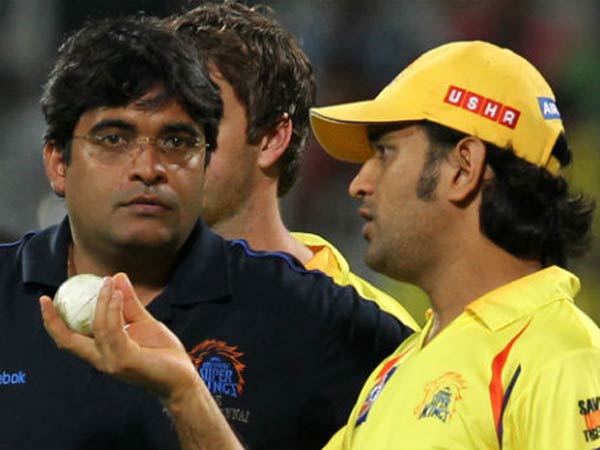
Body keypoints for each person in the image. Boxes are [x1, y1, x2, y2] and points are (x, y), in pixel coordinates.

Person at [44, 39, 599, 450]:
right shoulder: (400, 367)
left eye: (384, 153)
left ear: (463, 168)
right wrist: (185, 392)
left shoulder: (561, 360)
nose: (359, 182)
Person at [4, 15, 413, 450]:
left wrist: (186, 397)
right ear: (58, 163)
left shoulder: (311, 316)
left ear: (204, 160)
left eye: (177, 142)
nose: (148, 167)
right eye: (114, 139)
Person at [167, 2, 420, 330]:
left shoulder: (366, 331)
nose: (168, 148)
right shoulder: (121, 304)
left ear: (272, 139)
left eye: (202, 119)